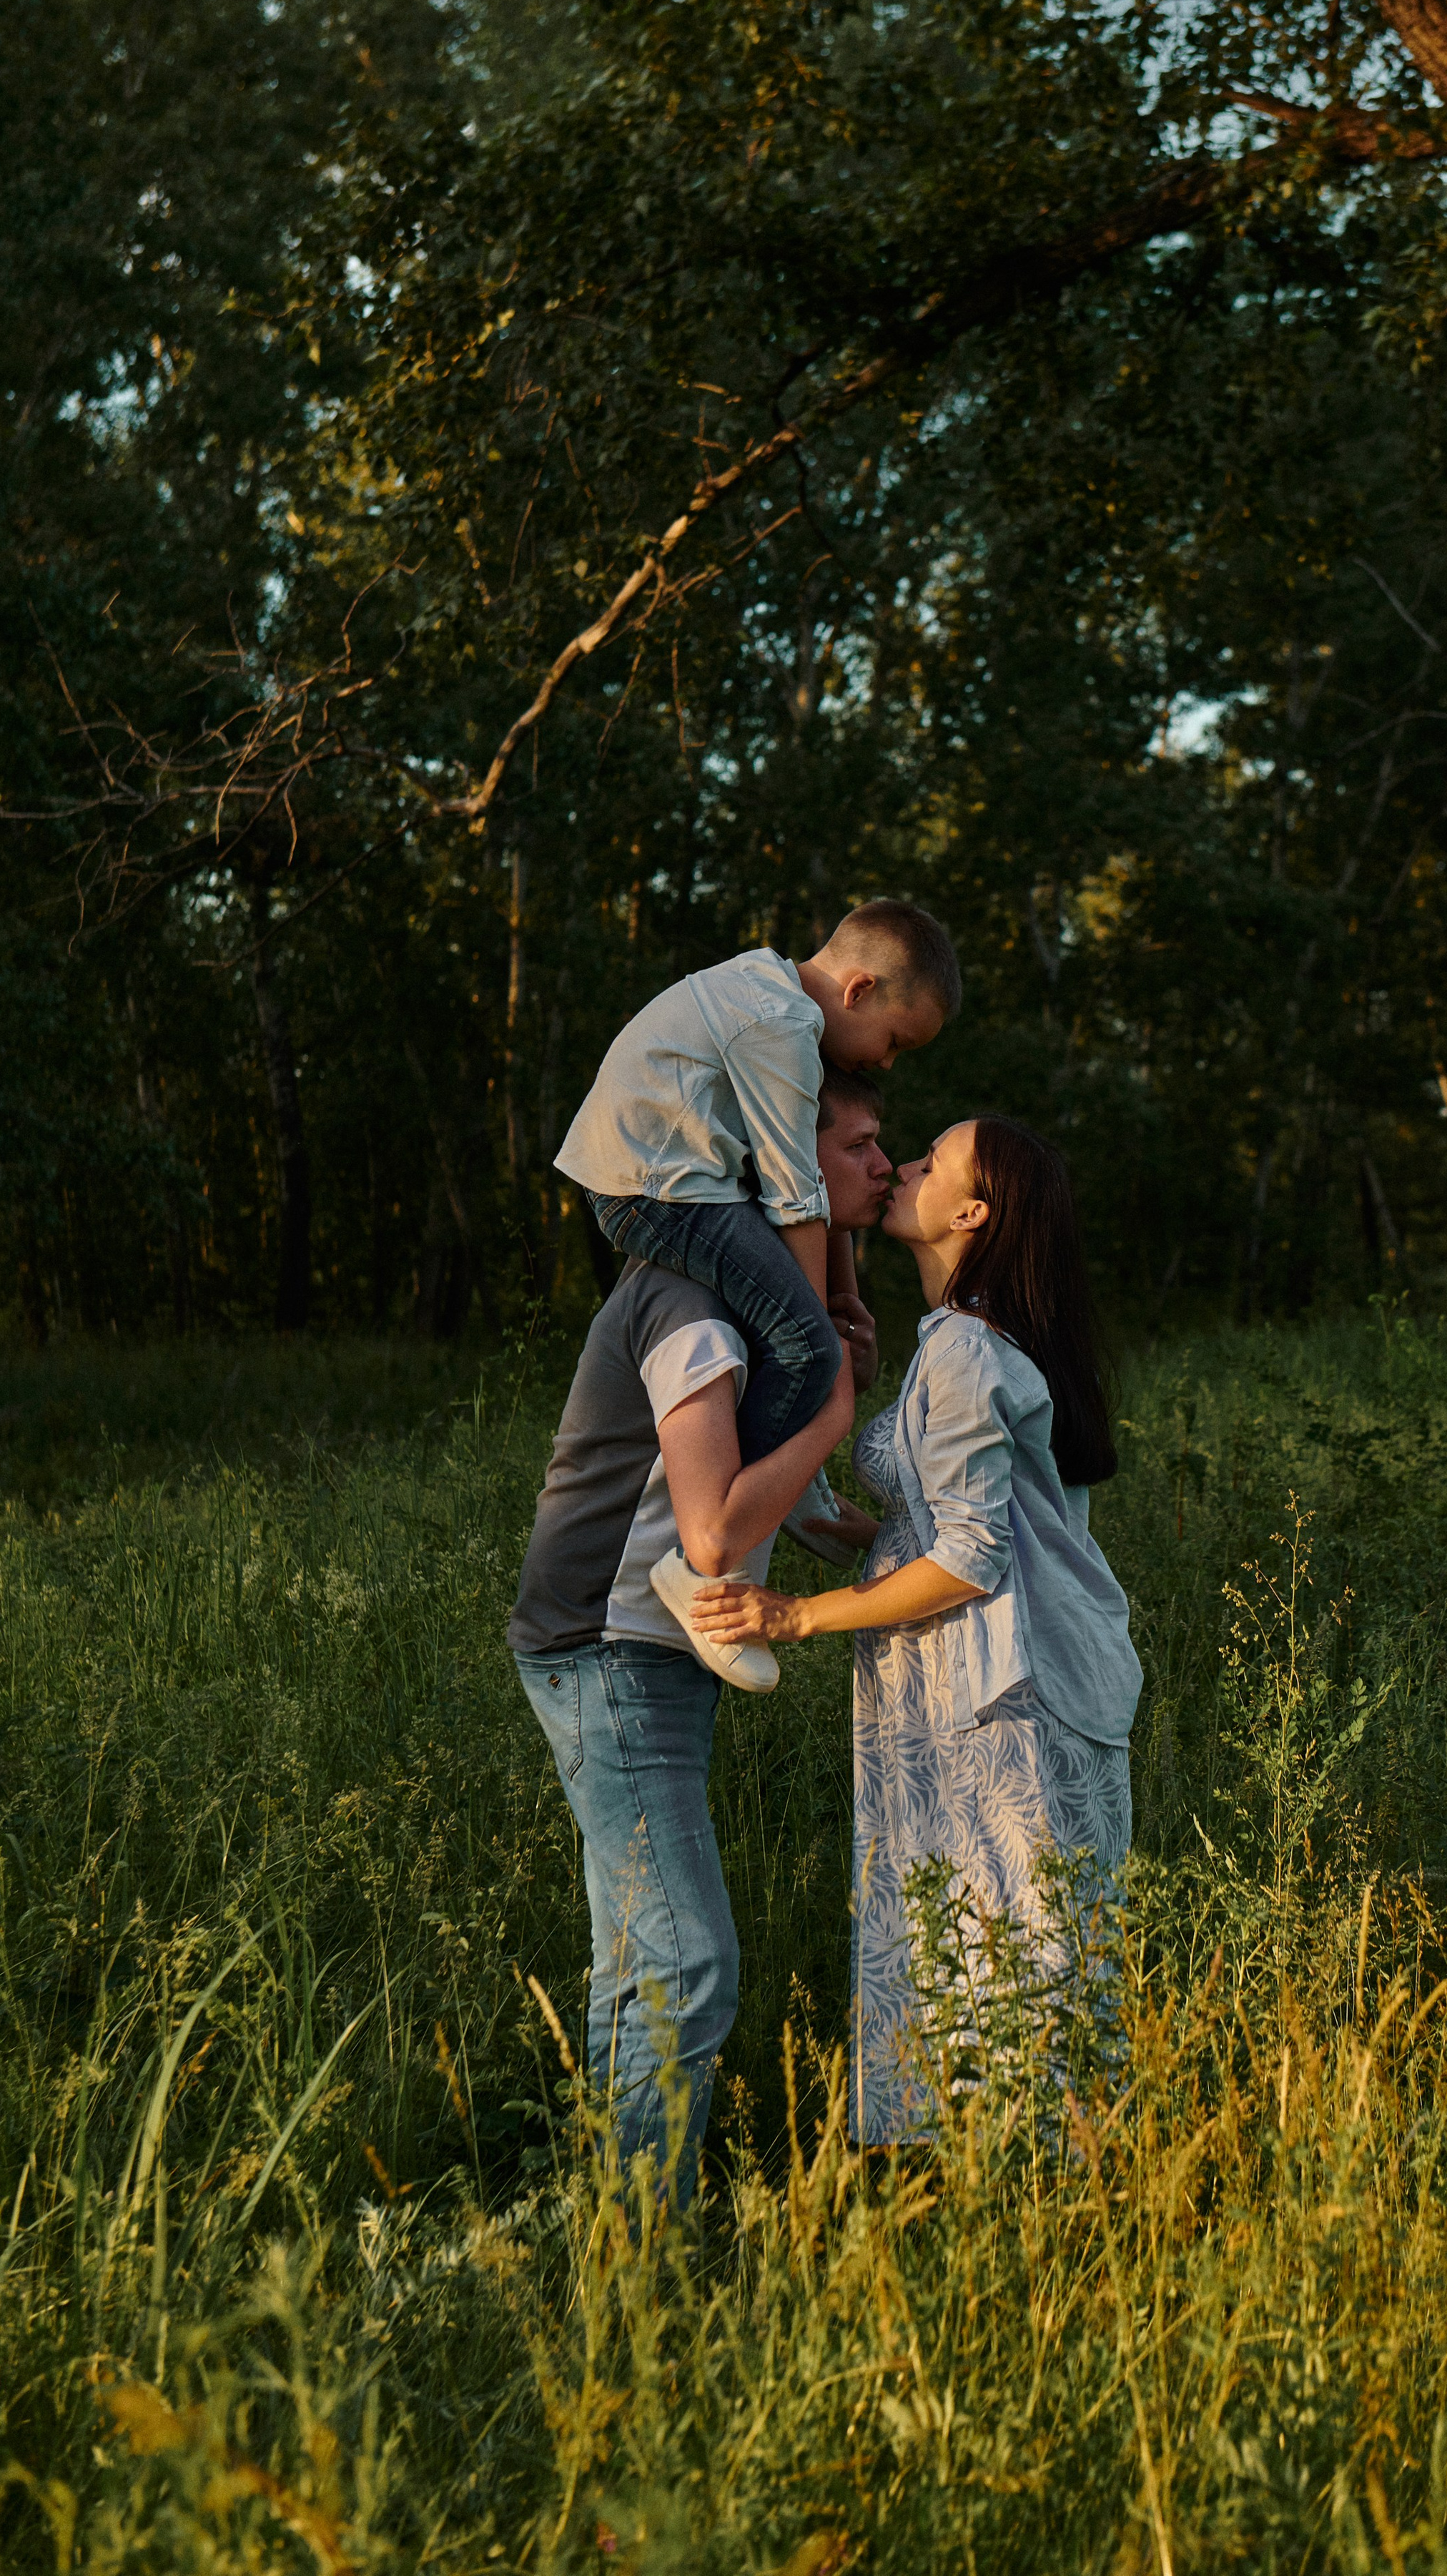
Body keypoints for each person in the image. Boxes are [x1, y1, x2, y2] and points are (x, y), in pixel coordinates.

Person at [689, 1114, 1140, 2145]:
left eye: (935, 1161)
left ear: (973, 1213)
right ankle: (1006, 2195)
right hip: (965, 1688)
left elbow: (973, 1557)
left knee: (1015, 1955)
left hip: (1004, 1705)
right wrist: (836, 1521)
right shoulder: (963, 1341)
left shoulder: (971, 1350)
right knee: (978, 1947)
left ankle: (1055, 2205)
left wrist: (792, 1616)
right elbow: (952, 1529)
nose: (905, 1167)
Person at [506, 1069, 894, 2206]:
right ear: (787, 1165)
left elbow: (798, 1514)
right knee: (685, 1964)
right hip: (607, 1648)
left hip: (646, 1653)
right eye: (862, 1144)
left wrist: (931, 1549)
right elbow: (714, 1532)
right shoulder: (689, 1300)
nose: (881, 1165)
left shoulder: (758, 1310)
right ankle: (637, 2257)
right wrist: (825, 1402)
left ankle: (605, 2232)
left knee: (637, 1964)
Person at [552, 902, 960, 1647]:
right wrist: (823, 1344)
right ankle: (707, 1560)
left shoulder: (766, 990)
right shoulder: (783, 1027)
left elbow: (806, 1184)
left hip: (661, 1181)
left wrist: (840, 1301)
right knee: (804, 1347)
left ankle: (779, 1500)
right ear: (859, 990)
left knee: (808, 1337)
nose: (889, 1062)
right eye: (896, 1041)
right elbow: (794, 1190)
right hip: (659, 1191)